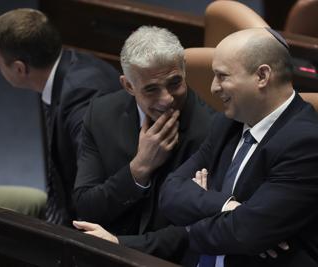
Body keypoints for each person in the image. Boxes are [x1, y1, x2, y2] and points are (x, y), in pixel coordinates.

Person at [159, 28, 318, 267]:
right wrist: (226, 206)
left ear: (262, 76)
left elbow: (243, 234)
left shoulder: (307, 146)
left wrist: (196, 215)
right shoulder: (228, 123)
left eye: (222, 76)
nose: (214, 87)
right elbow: (171, 192)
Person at [72, 26, 213, 264]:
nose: (167, 98)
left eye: (175, 83)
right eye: (151, 89)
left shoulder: (212, 130)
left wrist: (121, 245)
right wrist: (138, 169)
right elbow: (86, 207)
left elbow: (196, 228)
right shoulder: (101, 114)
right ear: (128, 86)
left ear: (184, 71)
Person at [0, 8, 121, 224]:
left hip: (90, 228)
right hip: (63, 204)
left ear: (20, 69)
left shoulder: (82, 101)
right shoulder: (69, 66)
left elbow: (98, 189)